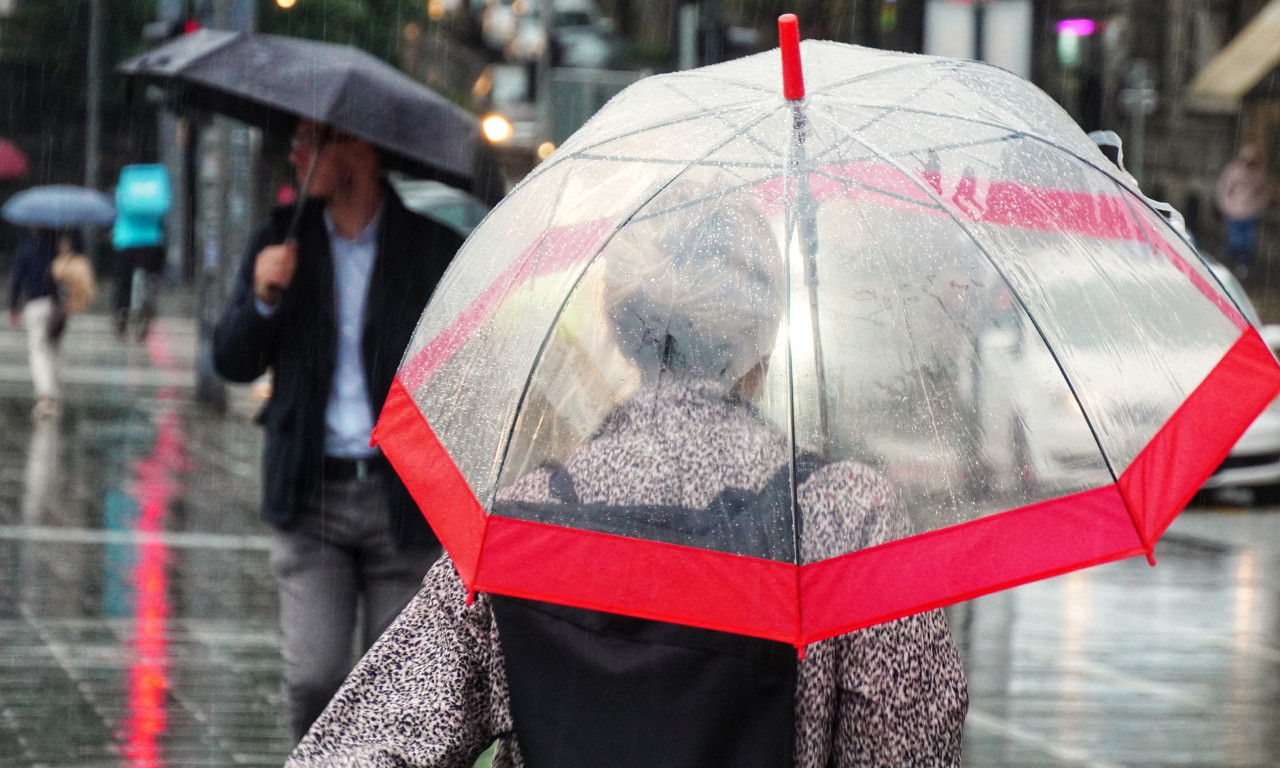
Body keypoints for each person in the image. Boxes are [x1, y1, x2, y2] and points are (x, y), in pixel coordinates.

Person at [284, 182, 968, 767]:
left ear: (617, 324)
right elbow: (911, 742)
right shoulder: (849, 519)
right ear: (768, 331)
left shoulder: (522, 528)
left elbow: (363, 745)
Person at [211, 118, 465, 743]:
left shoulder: (431, 248)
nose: (296, 154)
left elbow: (461, 368)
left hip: (400, 498)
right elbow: (232, 360)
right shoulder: (281, 240)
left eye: (311, 140)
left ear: (361, 148)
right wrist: (264, 298)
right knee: (315, 677)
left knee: (400, 693)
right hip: (311, 494)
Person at [111, 163, 172, 340]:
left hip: (126, 239)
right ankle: (147, 310)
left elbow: (119, 204)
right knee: (151, 279)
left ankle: (121, 314)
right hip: (151, 239)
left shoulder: (126, 179)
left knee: (123, 281)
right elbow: (166, 204)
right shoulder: (159, 179)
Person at [8, 227, 62, 418]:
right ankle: (52, 395)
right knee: (53, 351)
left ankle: (45, 397)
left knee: (38, 351)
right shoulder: (57, 249)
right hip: (57, 307)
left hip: (35, 305)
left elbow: (17, 277)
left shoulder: (25, 248)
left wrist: (13, 306)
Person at [1214, 144, 1270, 280]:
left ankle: (1243, 264)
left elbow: (1263, 192)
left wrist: (1258, 205)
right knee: (1234, 238)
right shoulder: (1233, 171)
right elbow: (1223, 189)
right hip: (1234, 211)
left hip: (1250, 213)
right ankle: (1233, 261)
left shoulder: (1259, 174)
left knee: (1248, 240)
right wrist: (1226, 205)